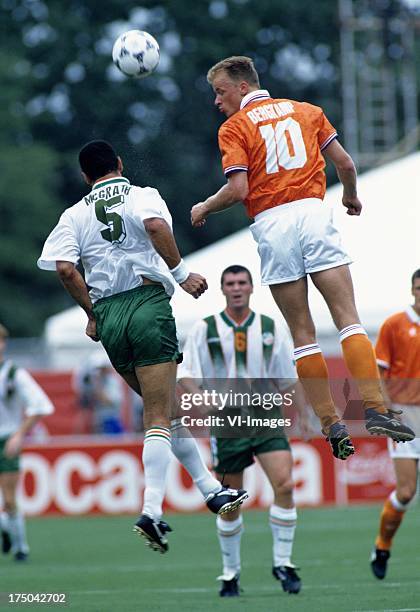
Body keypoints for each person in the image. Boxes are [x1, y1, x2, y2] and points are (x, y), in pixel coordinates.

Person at [190, 55, 414, 459]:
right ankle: (376, 409)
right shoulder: (308, 111)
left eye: (220, 91)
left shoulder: (234, 127)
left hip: (272, 225)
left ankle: (332, 424)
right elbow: (344, 163)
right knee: (348, 318)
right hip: (313, 213)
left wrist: (205, 206)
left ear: (243, 87)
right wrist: (349, 195)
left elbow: (239, 190)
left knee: (303, 335)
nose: (217, 101)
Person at [37, 140, 247, 554]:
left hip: (110, 317)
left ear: (85, 176)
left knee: (166, 411)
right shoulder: (141, 194)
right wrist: (183, 274)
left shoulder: (73, 214)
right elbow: (155, 227)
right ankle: (151, 509)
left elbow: (65, 268)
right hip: (147, 304)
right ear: (118, 164)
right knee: (157, 414)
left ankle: (210, 490)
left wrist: (92, 315)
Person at [178, 265, 311, 597]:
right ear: (223, 289)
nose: (236, 288)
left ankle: (283, 562)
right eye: (230, 284)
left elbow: (287, 376)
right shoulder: (204, 329)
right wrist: (201, 400)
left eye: (242, 283)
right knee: (230, 503)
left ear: (252, 288)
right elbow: (187, 373)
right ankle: (230, 573)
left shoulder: (270, 327)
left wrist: (306, 414)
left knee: (284, 483)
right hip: (227, 419)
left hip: (266, 412)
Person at [370, 269, 420, 579]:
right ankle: (382, 544)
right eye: (419, 287)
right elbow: (378, 369)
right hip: (405, 413)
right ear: (412, 290)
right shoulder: (395, 324)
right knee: (405, 492)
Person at [0, 323, 54, 561]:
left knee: (10, 498)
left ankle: (21, 547)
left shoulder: (13, 374)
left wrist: (19, 434)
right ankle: (6, 528)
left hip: (5, 440)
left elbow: (41, 406)